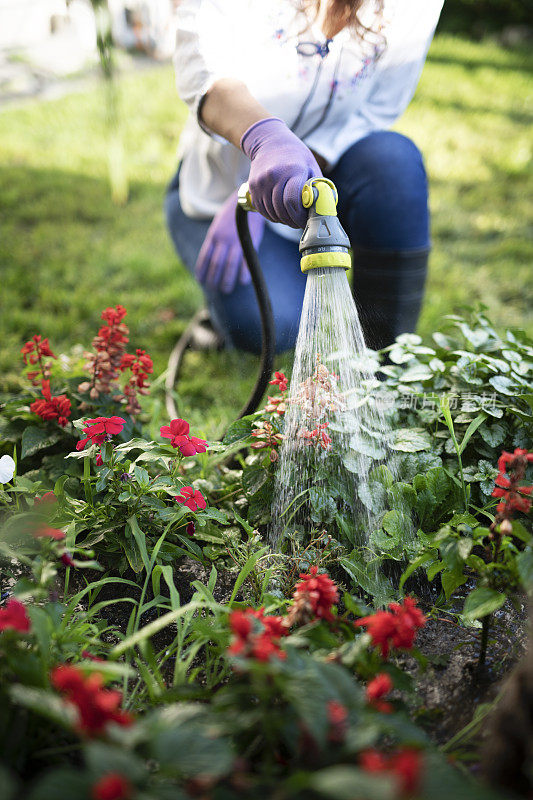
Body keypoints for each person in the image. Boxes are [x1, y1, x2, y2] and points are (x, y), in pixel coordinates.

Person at [165, 0, 444, 353]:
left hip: (333, 168)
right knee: (272, 329)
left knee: (393, 163)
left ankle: (383, 357)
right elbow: (206, 73)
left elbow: (380, 106)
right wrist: (263, 141)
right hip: (218, 188)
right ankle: (226, 309)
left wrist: (300, 164)